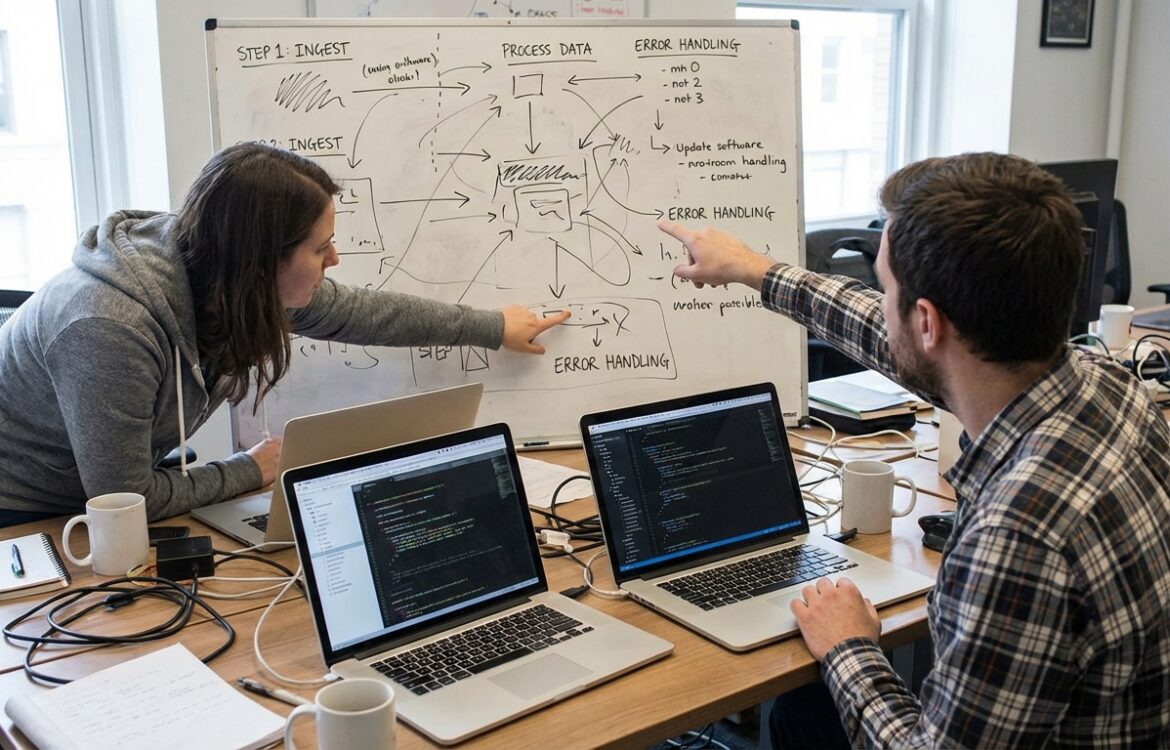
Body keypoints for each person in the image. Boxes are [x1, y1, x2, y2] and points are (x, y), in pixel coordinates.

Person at [658, 152, 1170, 747]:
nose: (880, 305)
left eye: (885, 288)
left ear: (927, 322)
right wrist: (754, 270)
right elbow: (889, 335)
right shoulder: (1110, 384)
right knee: (807, 700)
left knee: (815, 692)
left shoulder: (1019, 533)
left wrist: (849, 646)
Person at [0, 142, 569, 526]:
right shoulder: (108, 328)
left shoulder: (221, 270)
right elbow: (125, 500)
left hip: (103, 493)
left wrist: (493, 327)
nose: (336, 258)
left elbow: (367, 315)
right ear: (261, 258)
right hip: (32, 518)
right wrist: (251, 468)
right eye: (321, 248)